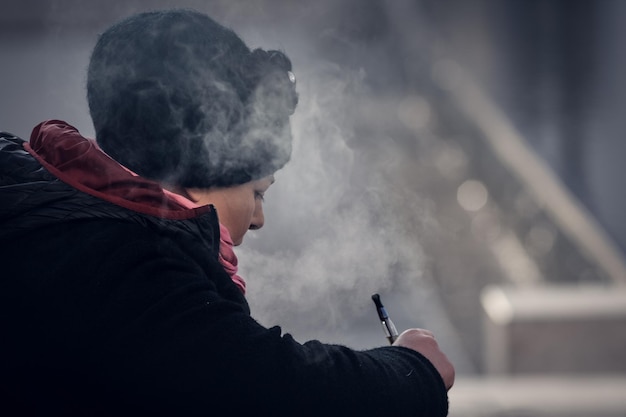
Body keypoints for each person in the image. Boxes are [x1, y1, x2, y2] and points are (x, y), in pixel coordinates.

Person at [0, 8, 454, 416]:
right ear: (202, 166)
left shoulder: (65, 208)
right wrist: (413, 373)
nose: (258, 219)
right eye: (257, 192)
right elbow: (267, 386)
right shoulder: (127, 269)